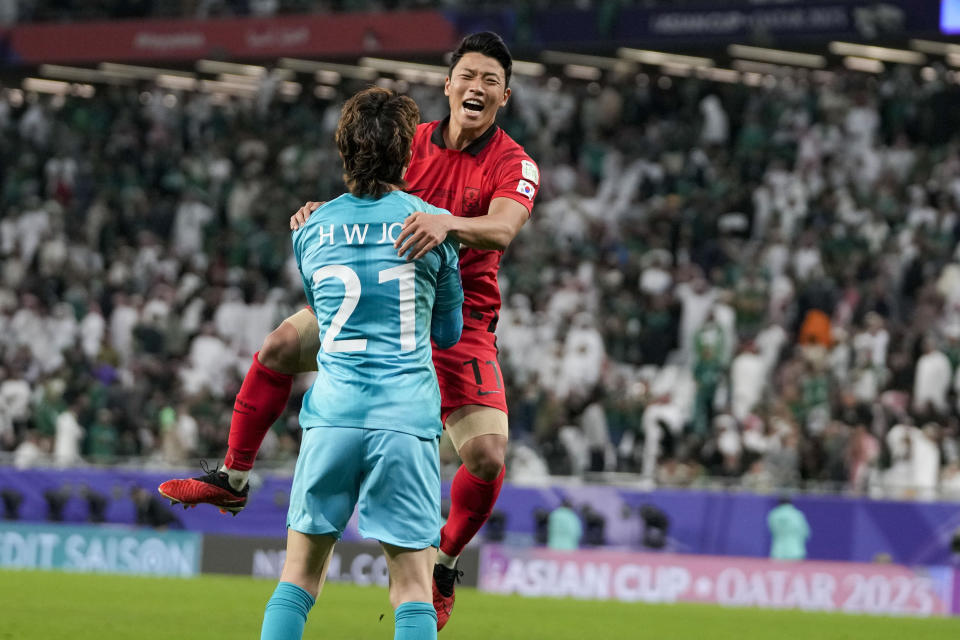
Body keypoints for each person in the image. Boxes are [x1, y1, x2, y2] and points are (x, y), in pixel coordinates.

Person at [160, 31, 539, 629]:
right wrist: (323, 211)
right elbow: (365, 186)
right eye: (468, 75)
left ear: (504, 97)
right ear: (448, 85)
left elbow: (503, 229)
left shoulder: (513, 163)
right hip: (386, 305)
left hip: (459, 318)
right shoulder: (409, 142)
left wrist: (445, 225)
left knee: (488, 458)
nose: (477, 87)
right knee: (282, 343)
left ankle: (444, 564)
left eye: (490, 80)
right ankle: (232, 477)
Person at [258, 87, 463, 640]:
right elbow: (447, 333)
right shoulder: (434, 226)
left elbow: (322, 312)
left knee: (298, 578)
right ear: (408, 154)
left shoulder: (311, 229)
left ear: (343, 151)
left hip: (333, 415)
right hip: (404, 419)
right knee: (413, 588)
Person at [767, 496, 810, 561]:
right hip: (795, 551)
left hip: (778, 552)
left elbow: (772, 531)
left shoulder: (774, 514)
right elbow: (806, 533)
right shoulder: (797, 514)